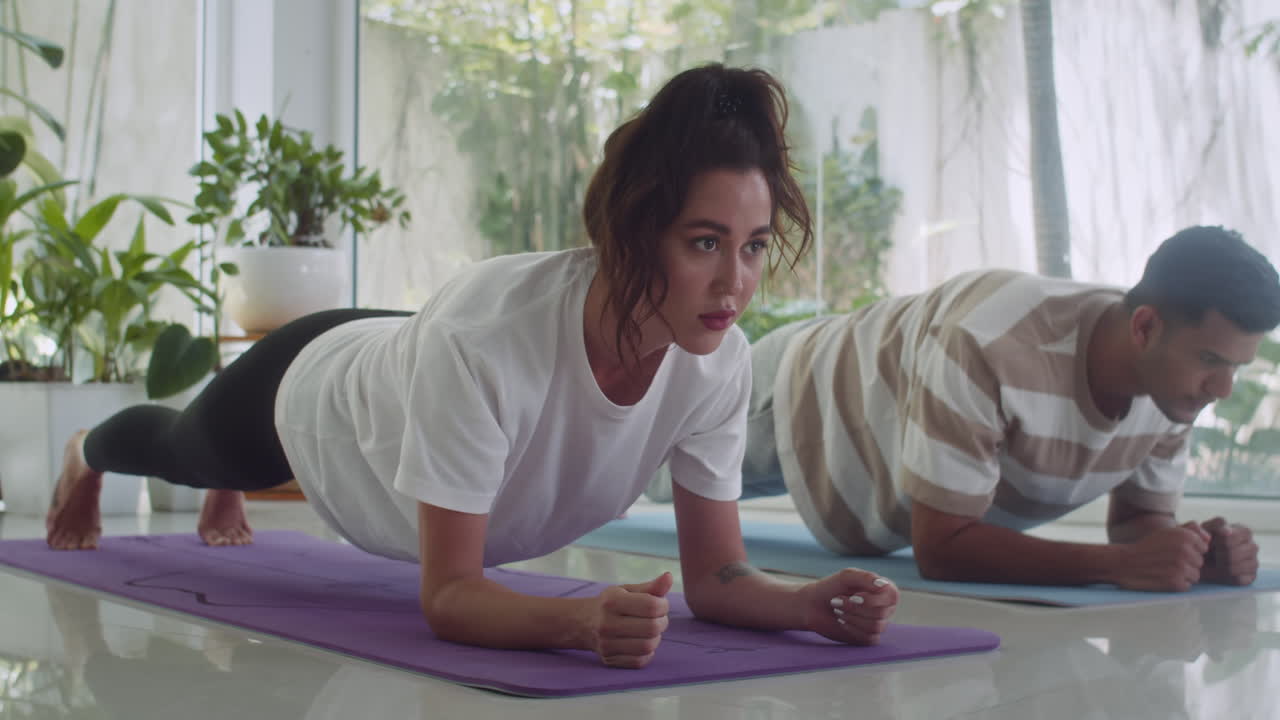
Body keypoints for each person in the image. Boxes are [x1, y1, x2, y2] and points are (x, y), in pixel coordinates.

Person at [44, 63, 898, 668]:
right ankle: (86, 450)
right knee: (180, 445)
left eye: (751, 248)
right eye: (705, 243)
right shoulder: (488, 343)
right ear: (633, 232)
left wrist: (804, 605)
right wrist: (573, 624)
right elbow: (449, 594)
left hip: (413, 355)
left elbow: (714, 579)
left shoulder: (718, 361)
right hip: (316, 392)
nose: (735, 283)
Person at [736, 225, 1279, 591]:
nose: (1223, 389)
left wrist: (1191, 551)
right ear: (1144, 328)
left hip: (875, 423)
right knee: (653, 460)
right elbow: (942, 547)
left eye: (1237, 365)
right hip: (802, 390)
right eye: (1212, 360)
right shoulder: (992, 341)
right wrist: (1119, 566)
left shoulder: (1174, 382)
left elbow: (1139, 522)